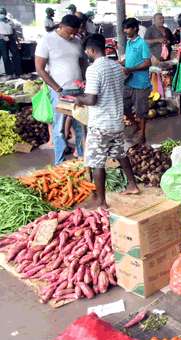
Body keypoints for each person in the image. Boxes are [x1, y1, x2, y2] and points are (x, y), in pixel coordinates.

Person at [74, 34, 139, 208]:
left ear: (91, 50)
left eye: (87, 51)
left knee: (96, 162)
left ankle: (102, 201)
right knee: (120, 154)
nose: (87, 54)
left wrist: (78, 99)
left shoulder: (94, 69)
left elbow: (92, 100)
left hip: (100, 124)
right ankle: (132, 185)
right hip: (116, 122)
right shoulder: (116, 67)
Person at [35, 14, 85, 165]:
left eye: (75, 32)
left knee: (80, 126)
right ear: (60, 26)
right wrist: (57, 88)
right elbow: (40, 68)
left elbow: (82, 62)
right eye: (69, 32)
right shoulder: (47, 40)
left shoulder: (77, 41)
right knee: (59, 128)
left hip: (78, 90)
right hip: (60, 92)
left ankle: (82, 157)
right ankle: (59, 161)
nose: (72, 35)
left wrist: (84, 80)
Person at [121, 18, 151, 143]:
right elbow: (128, 59)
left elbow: (147, 62)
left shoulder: (142, 43)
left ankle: (142, 134)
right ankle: (136, 125)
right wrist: (121, 63)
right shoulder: (129, 43)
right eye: (124, 28)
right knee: (124, 107)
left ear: (135, 28)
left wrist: (131, 69)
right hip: (128, 82)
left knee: (141, 111)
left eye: (127, 28)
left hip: (141, 83)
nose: (125, 30)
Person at [0, 8, 21, 78]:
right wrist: (2, 37)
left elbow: (14, 31)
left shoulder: (10, 21)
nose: (2, 15)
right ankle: (9, 74)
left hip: (11, 38)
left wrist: (18, 41)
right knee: (5, 57)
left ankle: (18, 73)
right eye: (1, 13)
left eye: (3, 13)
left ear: (5, 13)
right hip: (2, 39)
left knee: (16, 55)